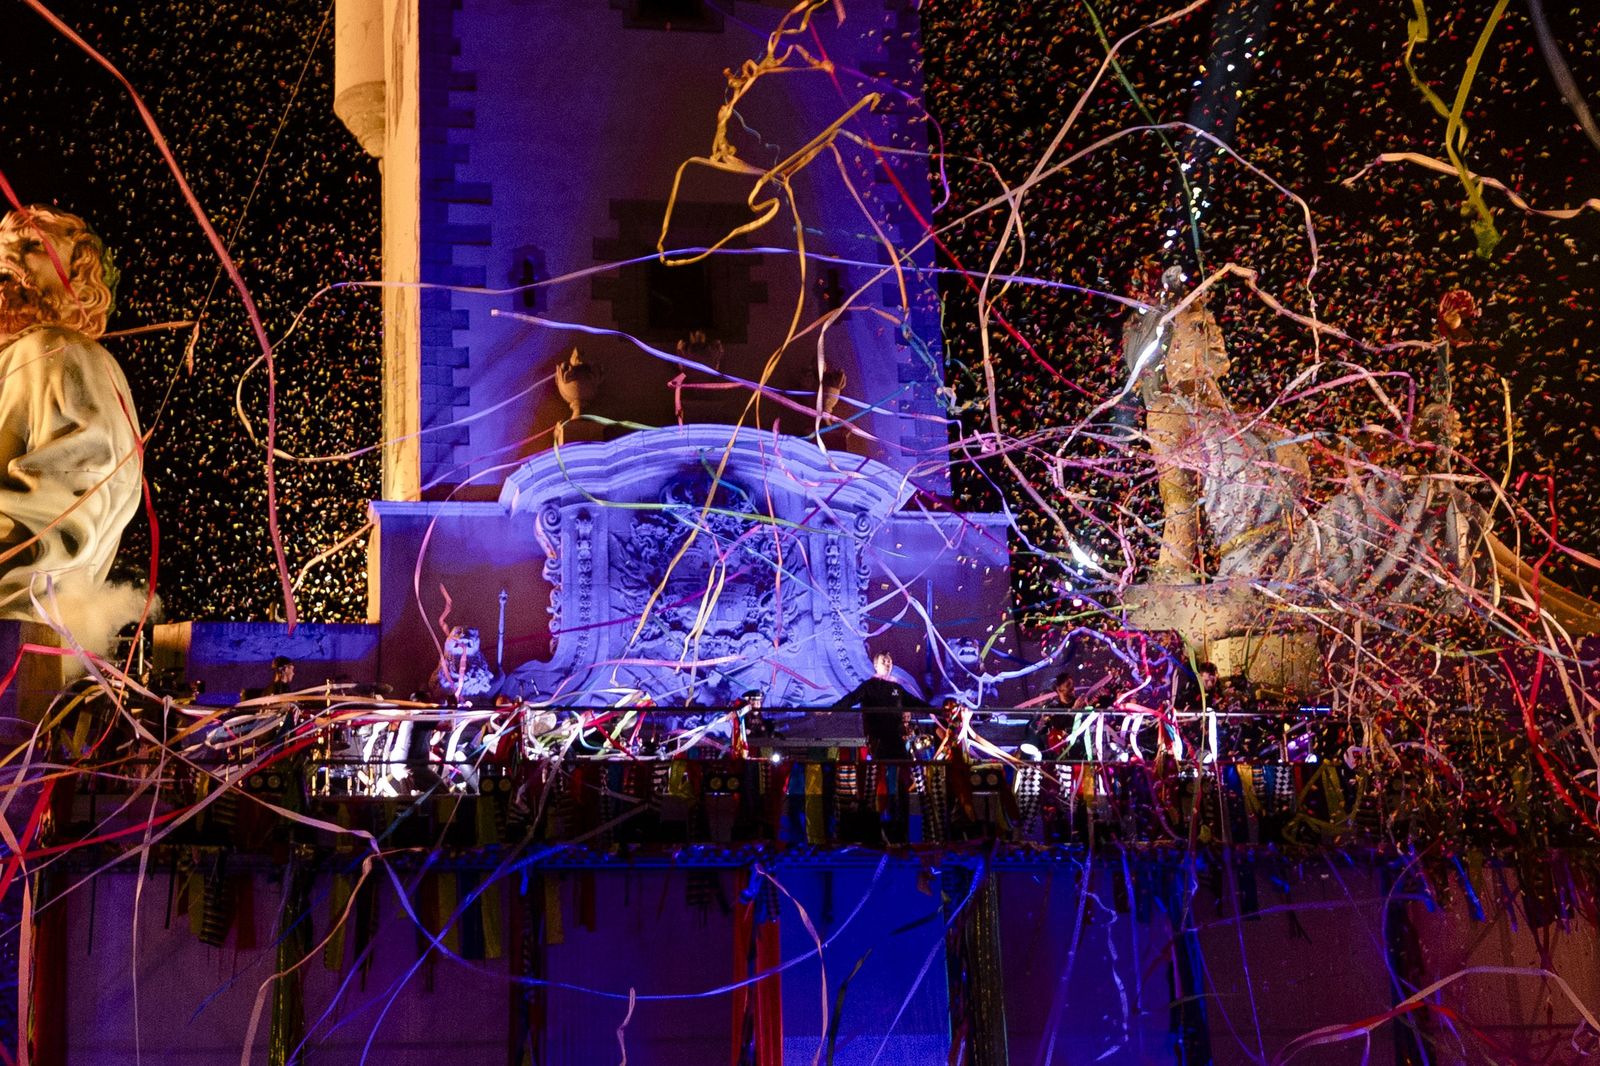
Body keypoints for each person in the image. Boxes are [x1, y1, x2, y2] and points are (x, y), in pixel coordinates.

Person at [0, 206, 141, 623]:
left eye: (31, 247)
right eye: (1, 248)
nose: (8, 258)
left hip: (17, 634)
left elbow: (62, 514)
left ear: (81, 271)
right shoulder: (22, 359)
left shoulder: (56, 354)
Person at [832, 651, 927, 760]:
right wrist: (832, 708)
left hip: (895, 737)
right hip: (877, 738)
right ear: (876, 665)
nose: (887, 664)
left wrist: (936, 710)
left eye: (889, 662)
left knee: (903, 767)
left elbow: (914, 701)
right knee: (878, 770)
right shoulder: (868, 686)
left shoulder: (896, 687)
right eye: (884, 661)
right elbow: (851, 698)